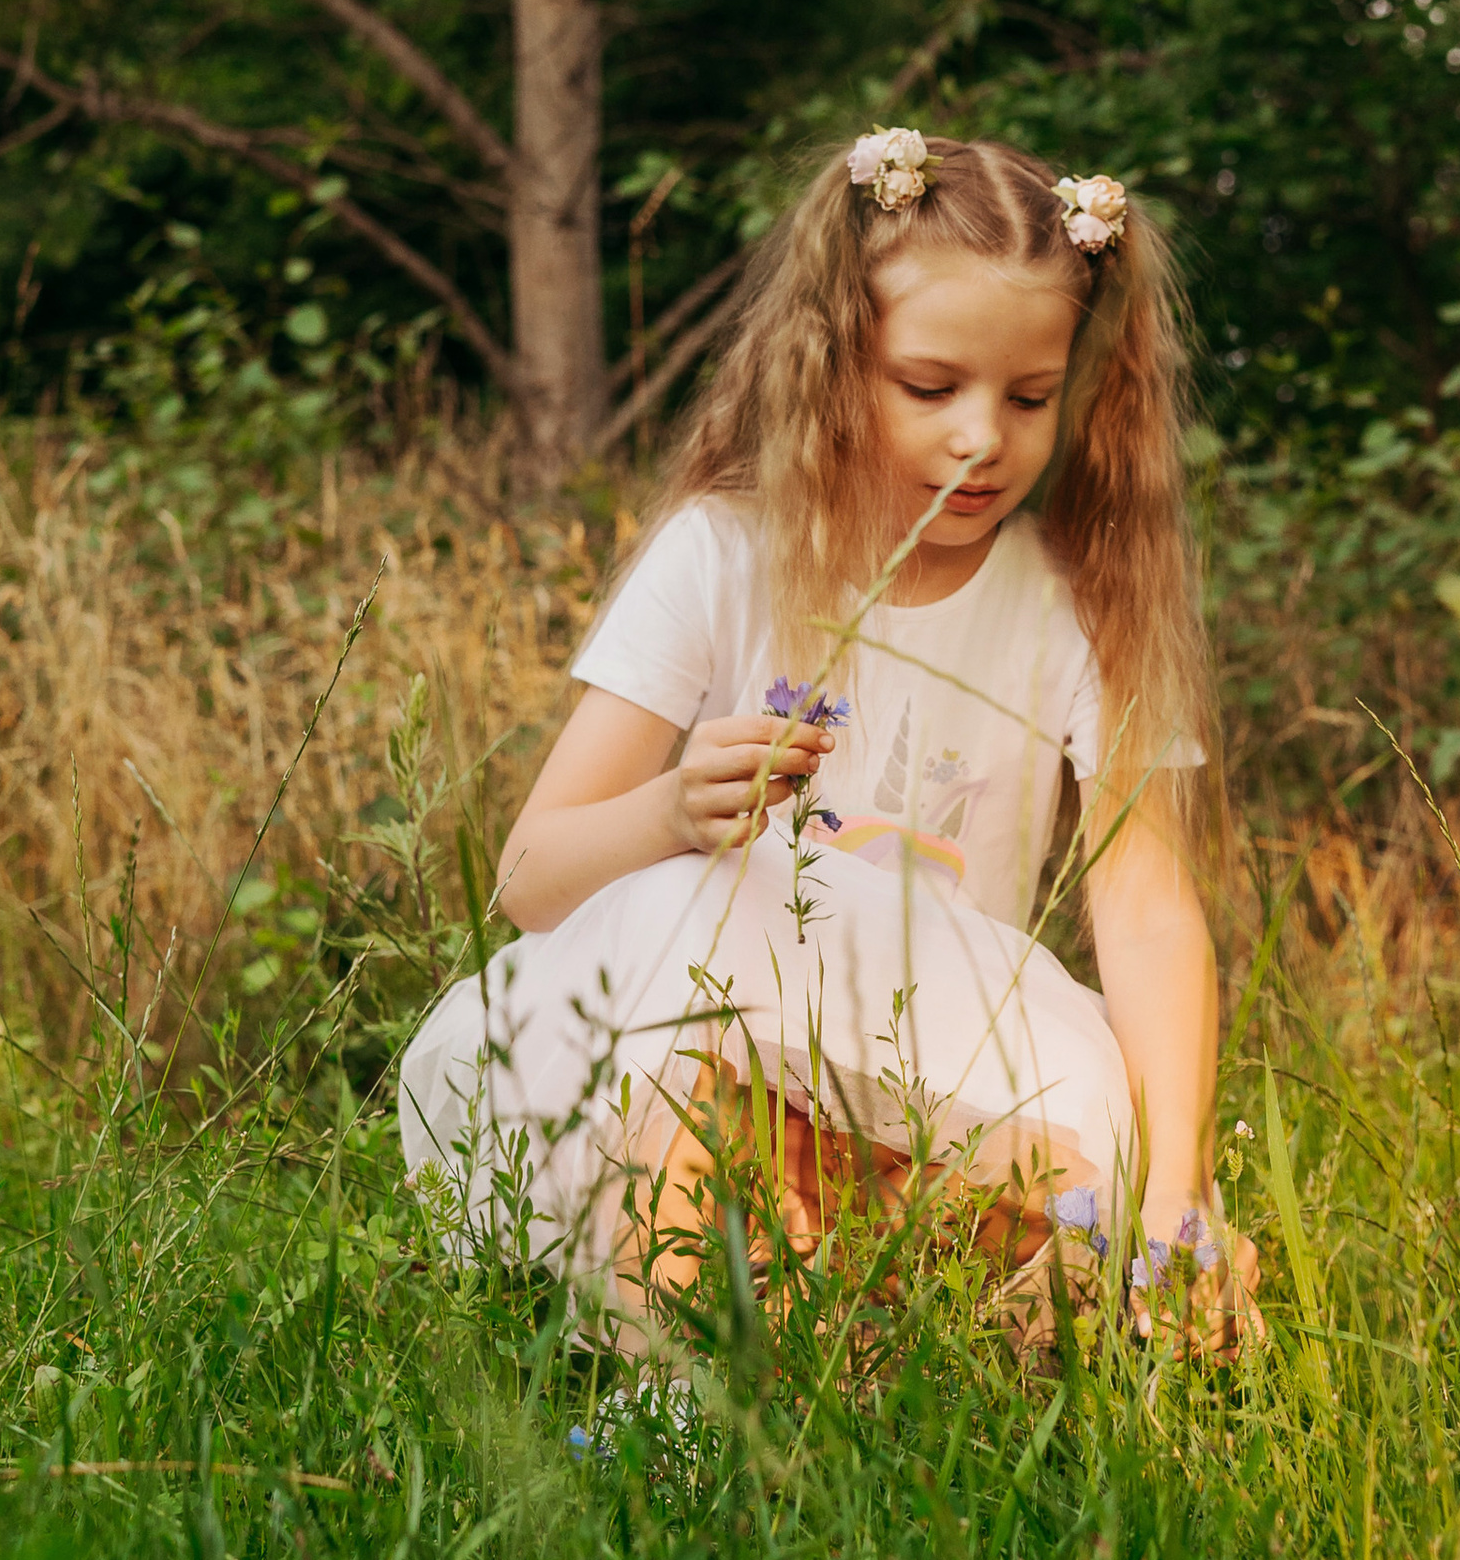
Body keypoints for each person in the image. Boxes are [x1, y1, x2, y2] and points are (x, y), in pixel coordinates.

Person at [399, 128, 1258, 1352]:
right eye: (928, 387)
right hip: (708, 1048)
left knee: (1100, 1142)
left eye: (1029, 399)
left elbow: (1147, 908)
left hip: (919, 1058)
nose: (981, 439)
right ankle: (698, 1376)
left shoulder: (1079, 603)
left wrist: (1173, 1178)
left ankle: (892, 1335)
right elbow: (530, 882)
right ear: (830, 362)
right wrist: (672, 816)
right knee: (679, 920)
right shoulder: (723, 555)